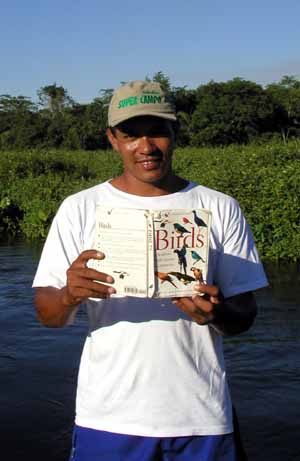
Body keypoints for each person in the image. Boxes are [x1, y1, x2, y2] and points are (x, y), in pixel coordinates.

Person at [33, 80, 268, 461]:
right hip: (108, 417)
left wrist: (217, 313)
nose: (145, 147)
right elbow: (47, 312)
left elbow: (244, 316)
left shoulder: (220, 207)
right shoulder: (79, 208)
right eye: (130, 134)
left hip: (203, 418)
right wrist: (67, 295)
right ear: (112, 138)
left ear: (175, 131)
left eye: (157, 131)